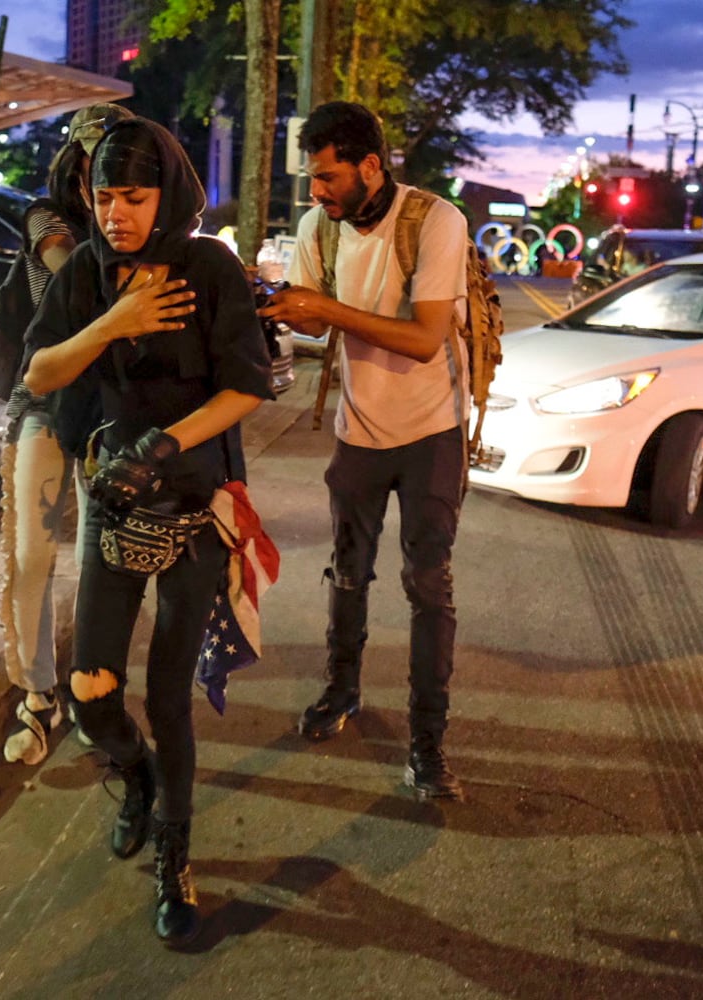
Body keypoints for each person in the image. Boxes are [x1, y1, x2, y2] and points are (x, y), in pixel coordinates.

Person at [22, 117, 273, 946]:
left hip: (194, 502)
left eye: (133, 196)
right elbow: (38, 371)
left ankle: (176, 858)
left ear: (167, 193)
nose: (116, 213)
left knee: (168, 696)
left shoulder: (209, 267)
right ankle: (130, 775)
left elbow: (245, 386)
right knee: (92, 691)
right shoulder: (88, 273)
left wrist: (166, 442)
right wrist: (112, 324)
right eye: (103, 196)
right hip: (114, 498)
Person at [260, 101, 470, 802]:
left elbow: (422, 337)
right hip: (358, 431)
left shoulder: (435, 221)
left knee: (426, 584)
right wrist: (279, 313)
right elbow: (318, 326)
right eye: (311, 179)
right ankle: (341, 690)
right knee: (347, 572)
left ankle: (427, 741)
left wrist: (320, 310)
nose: (315, 193)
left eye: (326, 177)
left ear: (370, 166)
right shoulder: (319, 227)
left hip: (431, 431)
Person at [0, 103, 134, 767]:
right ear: (75, 166)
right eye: (94, 167)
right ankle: (35, 696)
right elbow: (75, 278)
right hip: (46, 402)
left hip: (110, 412)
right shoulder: (49, 223)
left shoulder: (141, 226)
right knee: (32, 556)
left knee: (97, 560)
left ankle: (90, 691)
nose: (105, 184)